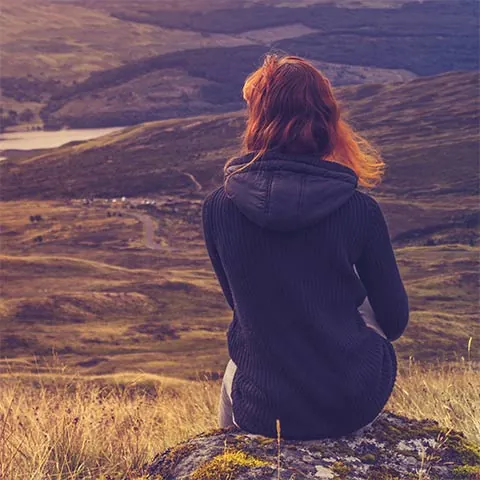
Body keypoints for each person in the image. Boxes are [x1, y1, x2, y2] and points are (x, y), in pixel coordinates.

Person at [202, 55, 409, 440]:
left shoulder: (218, 206)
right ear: (327, 121)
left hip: (263, 412)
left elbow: (242, 307)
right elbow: (394, 321)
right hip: (352, 402)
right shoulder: (359, 209)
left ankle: (231, 458)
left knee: (237, 365)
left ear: (258, 118)